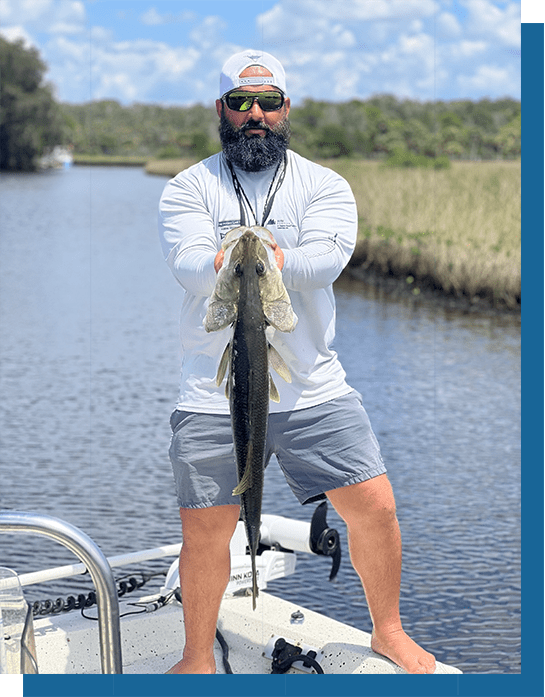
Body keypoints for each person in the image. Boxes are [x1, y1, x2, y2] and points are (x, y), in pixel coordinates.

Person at [158, 49, 436, 675]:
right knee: (204, 530)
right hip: (213, 390)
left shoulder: (325, 185)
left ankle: (388, 631)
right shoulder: (188, 186)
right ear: (222, 109)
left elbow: (326, 262)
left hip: (314, 388)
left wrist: (264, 258)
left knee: (376, 506)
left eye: (269, 102)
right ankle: (196, 655)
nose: (255, 114)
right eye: (240, 102)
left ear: (287, 108)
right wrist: (234, 258)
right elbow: (186, 266)